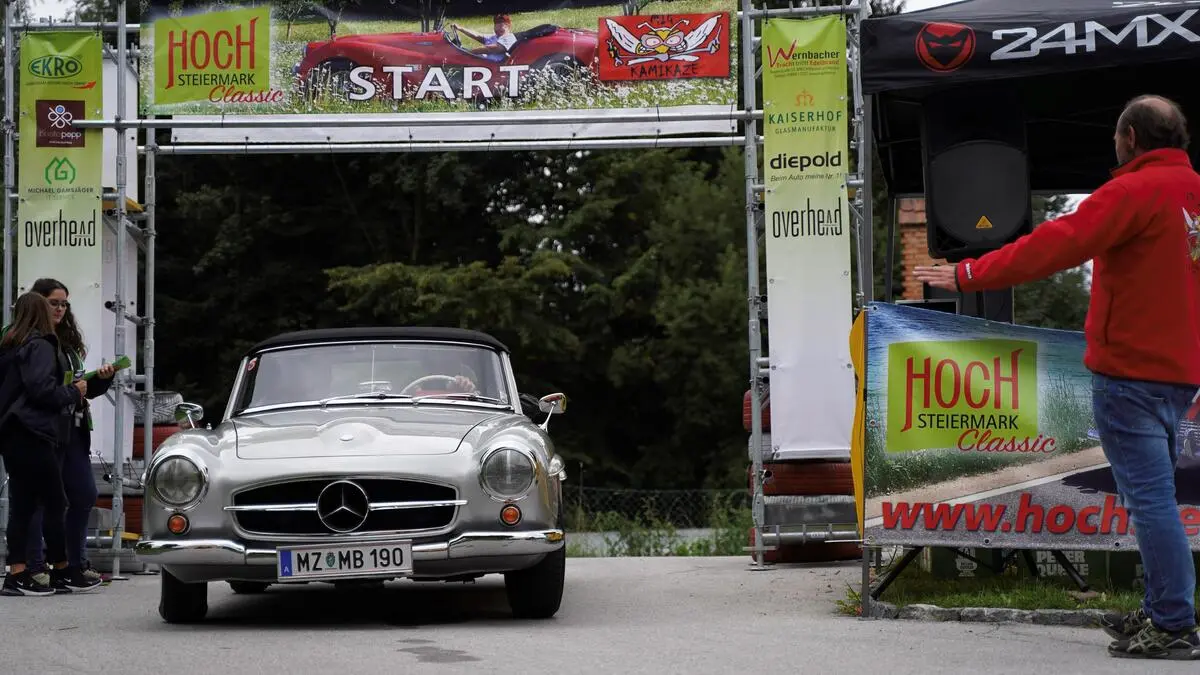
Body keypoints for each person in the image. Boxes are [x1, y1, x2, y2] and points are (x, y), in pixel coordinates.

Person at [914, 94, 1200, 660]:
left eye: (1117, 137)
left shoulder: (1130, 192)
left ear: (1130, 139)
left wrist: (969, 272)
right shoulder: (1192, 193)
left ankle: (1173, 623)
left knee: (1150, 502)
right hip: (1180, 373)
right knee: (1154, 497)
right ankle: (1161, 608)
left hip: (1131, 373)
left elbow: (1056, 245)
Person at [0, 292, 99, 596]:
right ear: (41, 313)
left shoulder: (10, 346)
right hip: (33, 432)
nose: (58, 310)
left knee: (23, 506)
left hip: (11, 433)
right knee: (55, 503)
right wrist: (74, 391)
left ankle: (18, 574)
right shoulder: (41, 345)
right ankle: (62, 570)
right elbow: (42, 391)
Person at [21, 278, 115, 586]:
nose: (60, 309)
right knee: (39, 499)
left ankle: (74, 564)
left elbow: (79, 388)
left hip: (73, 426)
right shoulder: (26, 338)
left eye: (64, 304)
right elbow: (36, 388)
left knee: (83, 493)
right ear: (39, 302)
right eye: (54, 303)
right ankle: (36, 566)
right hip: (44, 428)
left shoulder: (67, 340)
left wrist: (100, 381)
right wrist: (71, 390)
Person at [452, 14, 517, 63]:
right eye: (496, 24)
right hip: (484, 64)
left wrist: (467, 54)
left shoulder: (509, 38)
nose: (497, 27)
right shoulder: (494, 37)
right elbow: (477, 36)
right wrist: (460, 28)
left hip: (495, 68)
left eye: (500, 25)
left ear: (508, 26)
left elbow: (489, 49)